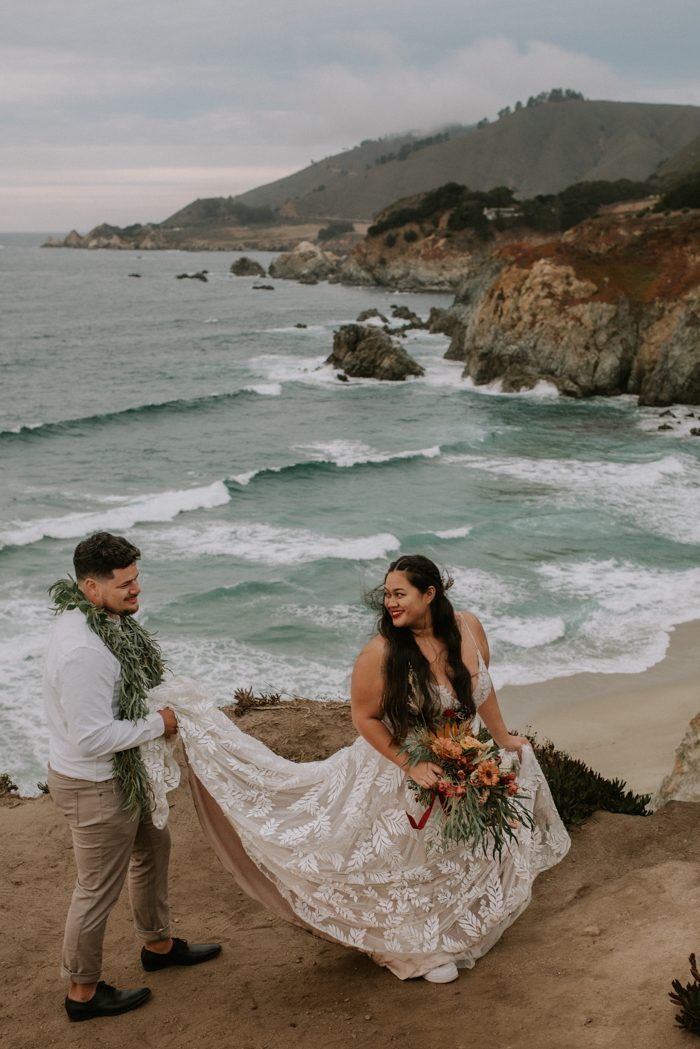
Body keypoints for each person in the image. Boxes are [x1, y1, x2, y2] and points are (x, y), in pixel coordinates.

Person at [155, 554, 570, 983]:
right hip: (400, 765)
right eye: (387, 594)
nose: (389, 603)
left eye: (399, 594)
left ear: (430, 594)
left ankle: (449, 924)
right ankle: (409, 946)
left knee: (448, 847)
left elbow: (480, 688)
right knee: (401, 855)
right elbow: (365, 718)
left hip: (457, 759)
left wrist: (501, 739)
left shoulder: (469, 627)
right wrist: (412, 765)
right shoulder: (382, 652)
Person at [44, 531, 221, 1022]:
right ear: (91, 587)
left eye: (136, 580)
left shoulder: (97, 619)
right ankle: (82, 993)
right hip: (95, 781)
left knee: (153, 849)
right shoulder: (84, 652)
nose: (136, 591)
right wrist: (157, 724)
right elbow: (91, 736)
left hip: (124, 774)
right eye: (124, 585)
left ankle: (158, 947)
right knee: (96, 886)